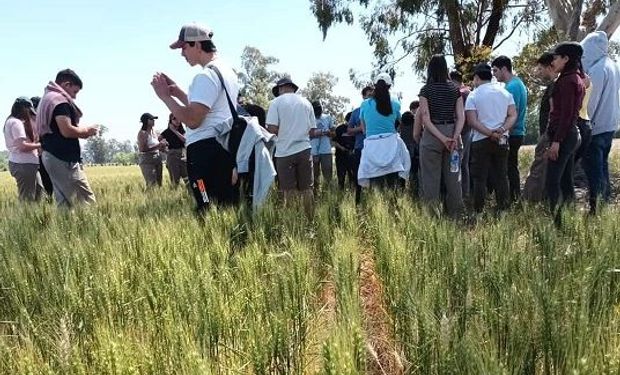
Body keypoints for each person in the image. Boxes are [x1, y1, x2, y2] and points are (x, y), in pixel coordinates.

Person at [151, 23, 240, 214]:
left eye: (184, 47)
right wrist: (179, 93)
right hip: (223, 147)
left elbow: (193, 120)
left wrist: (165, 97)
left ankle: (213, 237)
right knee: (227, 204)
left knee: (205, 204)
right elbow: (211, 108)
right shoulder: (226, 71)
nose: (182, 53)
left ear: (198, 45)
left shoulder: (205, 76)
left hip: (204, 153)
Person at [35, 69, 98, 207]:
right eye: (75, 91)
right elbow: (67, 130)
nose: (74, 97)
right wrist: (86, 131)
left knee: (67, 201)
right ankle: (85, 227)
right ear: (66, 84)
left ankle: (70, 227)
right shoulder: (59, 101)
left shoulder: (47, 98)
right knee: (81, 201)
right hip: (62, 157)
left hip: (51, 155)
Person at [465, 63, 517, 213]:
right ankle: (503, 210)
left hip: (480, 140)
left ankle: (479, 211)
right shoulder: (505, 93)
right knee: (501, 175)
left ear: (476, 78)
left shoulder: (473, 95)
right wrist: (501, 130)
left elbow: (472, 121)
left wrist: (489, 133)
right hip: (502, 139)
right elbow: (513, 114)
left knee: (479, 178)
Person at [417, 55, 465, 217]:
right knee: (454, 179)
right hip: (453, 134)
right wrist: (454, 136)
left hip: (432, 137)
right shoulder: (454, 89)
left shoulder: (426, 90)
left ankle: (432, 216)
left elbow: (425, 118)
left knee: (431, 180)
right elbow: (461, 116)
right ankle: (456, 214)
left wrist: (441, 138)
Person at [545, 42, 585, 224]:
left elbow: (567, 114)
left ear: (566, 59)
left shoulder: (569, 81)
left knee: (552, 181)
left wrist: (557, 141)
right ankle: (569, 220)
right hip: (569, 134)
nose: (553, 60)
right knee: (566, 181)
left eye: (556, 57)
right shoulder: (574, 78)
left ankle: (558, 224)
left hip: (564, 136)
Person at [266, 77, 318, 215]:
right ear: (293, 88)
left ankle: (293, 223)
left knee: (288, 191)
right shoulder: (306, 103)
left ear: (280, 89)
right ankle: (309, 221)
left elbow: (271, 128)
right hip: (304, 150)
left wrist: (284, 134)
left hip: (284, 152)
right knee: (307, 188)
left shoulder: (275, 103)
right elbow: (312, 131)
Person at [581, 31, 620, 214]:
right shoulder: (612, 65)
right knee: (603, 167)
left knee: (594, 169)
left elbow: (591, 102)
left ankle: (596, 209)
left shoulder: (597, 69)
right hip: (610, 125)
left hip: (596, 127)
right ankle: (605, 203)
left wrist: (583, 124)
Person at [357, 73, 409, 190]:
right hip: (391, 146)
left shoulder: (365, 105)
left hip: (372, 147)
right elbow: (400, 123)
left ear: (375, 85)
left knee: (376, 185)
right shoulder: (395, 103)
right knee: (393, 184)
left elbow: (364, 129)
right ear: (389, 86)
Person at [492, 56, 528, 203]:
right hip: (518, 132)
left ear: (504, 69)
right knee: (511, 166)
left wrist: (503, 132)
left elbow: (511, 113)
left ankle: (511, 199)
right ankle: (514, 197)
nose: (493, 74)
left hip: (512, 132)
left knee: (507, 168)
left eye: (495, 70)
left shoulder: (511, 87)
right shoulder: (519, 83)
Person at [522, 52, 557, 203]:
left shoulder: (555, 86)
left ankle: (528, 203)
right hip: (550, 135)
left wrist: (547, 137)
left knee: (537, 170)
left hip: (549, 135)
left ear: (550, 66)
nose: (540, 72)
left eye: (541, 68)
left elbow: (553, 112)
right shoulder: (554, 85)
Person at [3, 97, 43, 201]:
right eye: (29, 110)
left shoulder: (11, 121)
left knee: (38, 192)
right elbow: (22, 146)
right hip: (24, 164)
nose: (30, 113)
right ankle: (27, 216)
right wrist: (41, 145)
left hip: (25, 163)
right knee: (28, 198)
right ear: (23, 109)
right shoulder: (16, 123)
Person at [348, 86, 374, 203]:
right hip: (360, 147)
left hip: (374, 148)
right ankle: (358, 202)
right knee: (359, 176)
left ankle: (375, 203)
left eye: (372, 96)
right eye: (368, 96)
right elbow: (349, 130)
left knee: (375, 175)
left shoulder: (378, 111)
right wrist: (362, 128)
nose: (370, 98)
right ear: (363, 96)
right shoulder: (356, 112)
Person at [449, 70, 472, 200]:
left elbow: (458, 115)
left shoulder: (459, 93)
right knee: (465, 164)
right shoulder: (469, 92)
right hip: (469, 131)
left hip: (459, 133)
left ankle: (458, 194)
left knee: (456, 164)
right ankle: (466, 192)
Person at [30, 96, 53, 197]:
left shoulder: (45, 121)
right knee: (41, 183)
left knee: (48, 182)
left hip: (46, 156)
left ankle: (49, 201)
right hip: (36, 157)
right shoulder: (27, 123)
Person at [310, 100, 334, 189]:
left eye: (319, 108)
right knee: (314, 175)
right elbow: (306, 134)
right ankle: (315, 194)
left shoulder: (328, 117)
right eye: (316, 109)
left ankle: (327, 193)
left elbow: (333, 132)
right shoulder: (309, 119)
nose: (318, 111)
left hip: (326, 150)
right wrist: (319, 132)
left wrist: (329, 133)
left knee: (328, 174)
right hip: (313, 151)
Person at [137, 113, 165, 188]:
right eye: (151, 119)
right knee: (152, 183)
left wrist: (162, 146)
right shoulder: (142, 133)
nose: (153, 121)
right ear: (146, 121)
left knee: (159, 184)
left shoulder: (154, 132)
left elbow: (157, 146)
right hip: (147, 160)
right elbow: (142, 149)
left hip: (157, 158)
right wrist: (158, 146)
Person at [159, 113, 188, 187]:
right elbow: (159, 140)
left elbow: (185, 140)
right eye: (174, 119)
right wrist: (166, 150)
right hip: (172, 156)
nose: (177, 120)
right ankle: (175, 196)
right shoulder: (166, 132)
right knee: (175, 180)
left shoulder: (182, 130)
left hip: (183, 155)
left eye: (179, 118)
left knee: (187, 178)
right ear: (170, 121)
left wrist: (174, 131)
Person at [334, 112, 356, 190]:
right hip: (340, 156)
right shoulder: (339, 128)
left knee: (352, 177)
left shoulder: (355, 129)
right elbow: (334, 142)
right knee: (341, 177)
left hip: (352, 156)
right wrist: (341, 148)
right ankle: (340, 193)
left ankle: (352, 193)